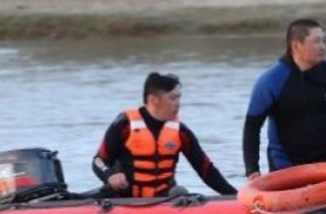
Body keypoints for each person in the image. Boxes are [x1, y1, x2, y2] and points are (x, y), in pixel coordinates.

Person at [243, 18, 326, 179]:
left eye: (323, 41)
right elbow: (252, 127)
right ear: (296, 45)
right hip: (285, 164)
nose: (323, 47)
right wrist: (252, 170)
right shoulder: (271, 80)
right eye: (316, 41)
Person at [92, 72, 237, 197]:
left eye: (179, 97)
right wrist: (110, 175)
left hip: (165, 199)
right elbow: (99, 160)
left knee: (181, 192)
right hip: (126, 199)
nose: (178, 103)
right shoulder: (124, 125)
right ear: (154, 100)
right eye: (172, 98)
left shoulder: (181, 132)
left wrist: (235, 197)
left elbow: (206, 170)